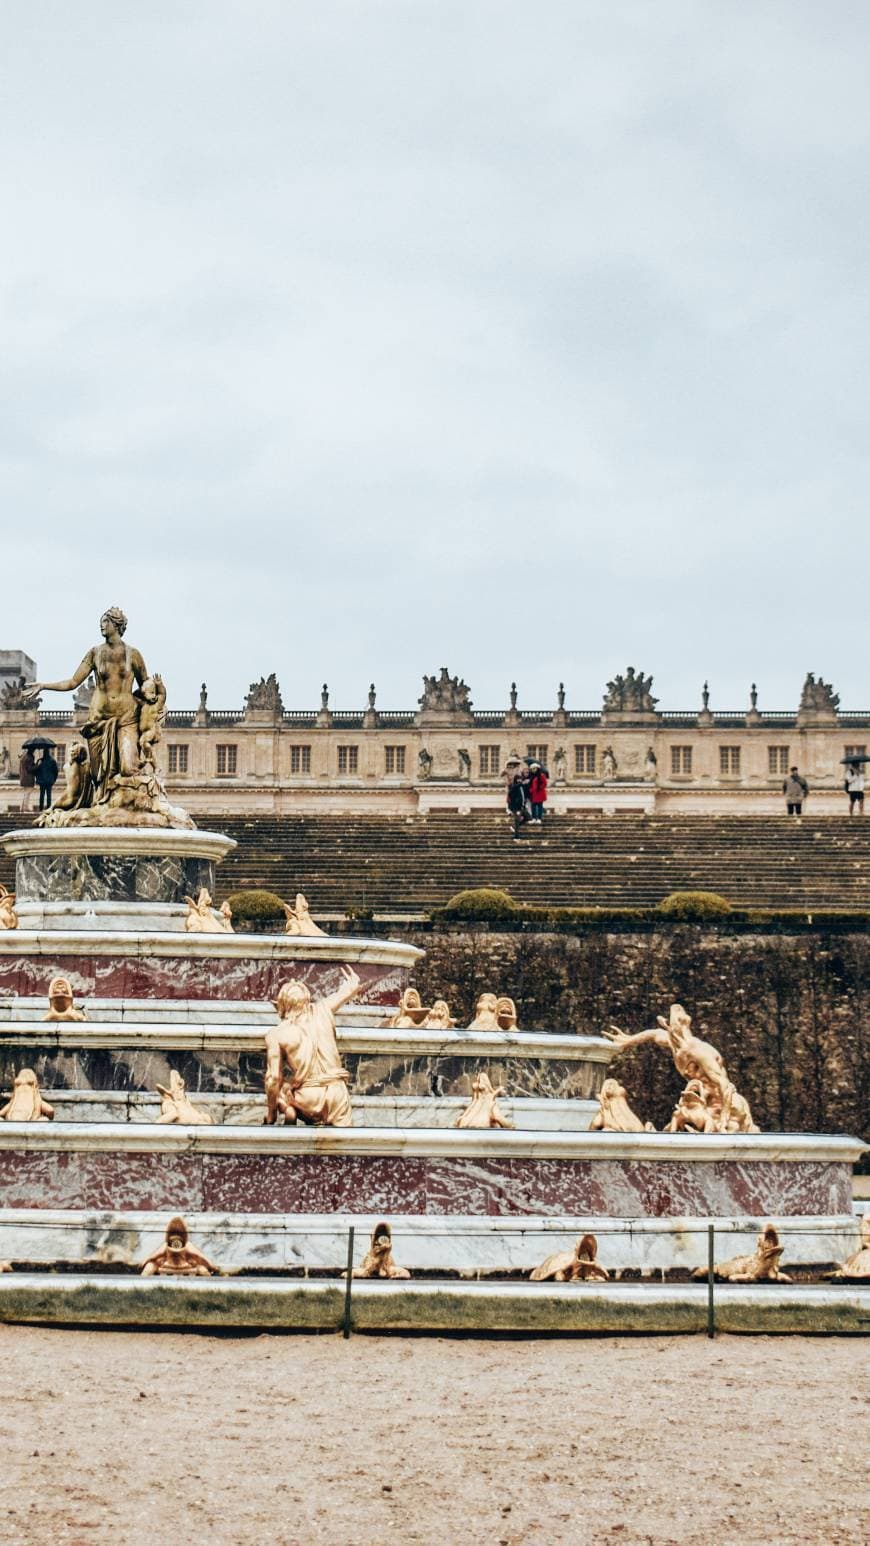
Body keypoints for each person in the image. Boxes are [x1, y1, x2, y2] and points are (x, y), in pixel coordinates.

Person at [506, 770, 527, 840]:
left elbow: (523, 796)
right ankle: (516, 836)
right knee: (517, 820)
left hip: (522, 806)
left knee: (528, 817)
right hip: (516, 807)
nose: (519, 780)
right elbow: (511, 793)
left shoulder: (521, 787)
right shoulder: (514, 786)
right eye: (518, 779)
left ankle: (514, 827)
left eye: (520, 779)